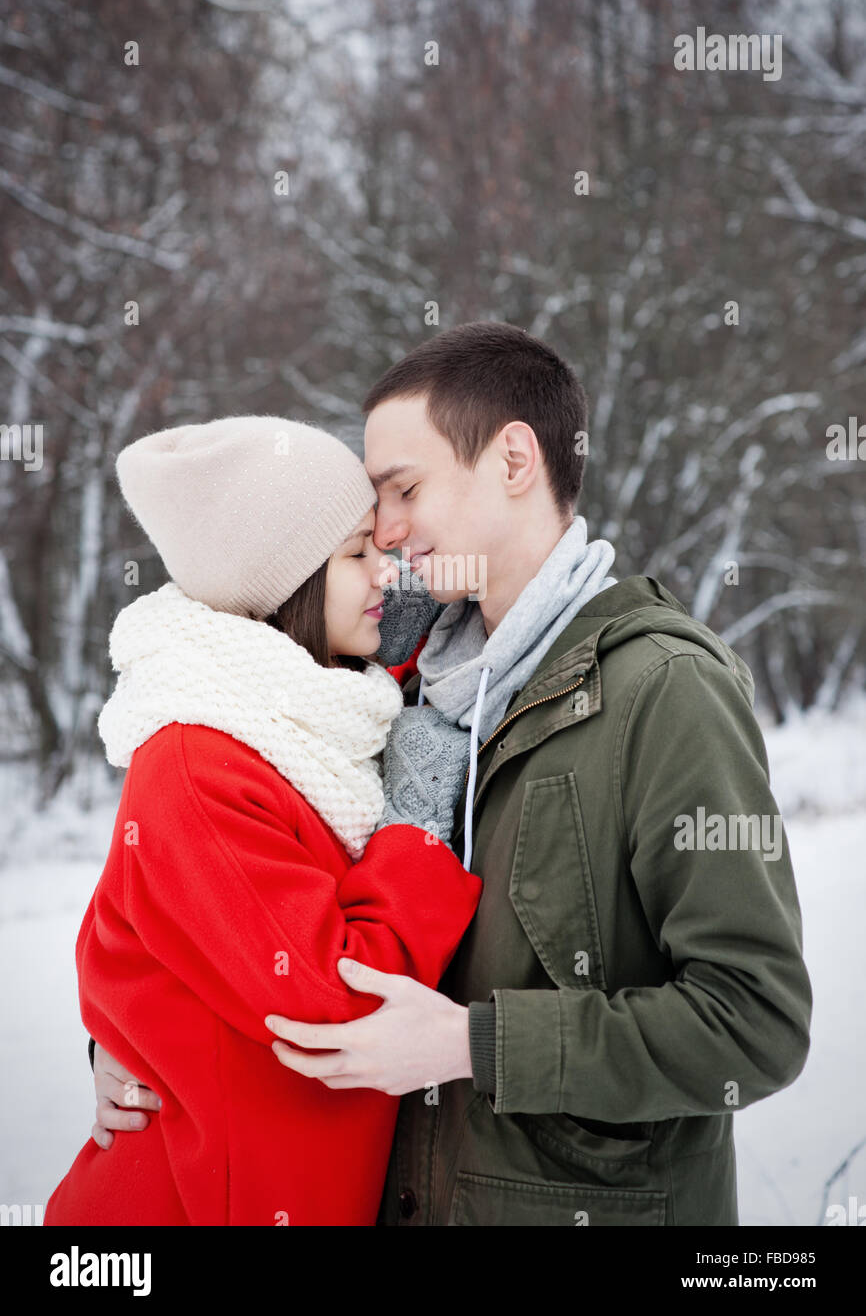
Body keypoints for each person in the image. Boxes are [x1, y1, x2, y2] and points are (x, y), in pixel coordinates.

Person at [86, 323, 813, 1226]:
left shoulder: (663, 693)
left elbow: (755, 1025)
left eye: (404, 489)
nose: (385, 530)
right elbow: (233, 904)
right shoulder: (389, 689)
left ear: (513, 459)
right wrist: (137, 1044)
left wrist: (477, 1045)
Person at [43, 415, 482, 1227]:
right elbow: (336, 1007)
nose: (387, 572)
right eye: (356, 554)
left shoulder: (320, 718)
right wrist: (417, 831)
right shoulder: (197, 765)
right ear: (285, 586)